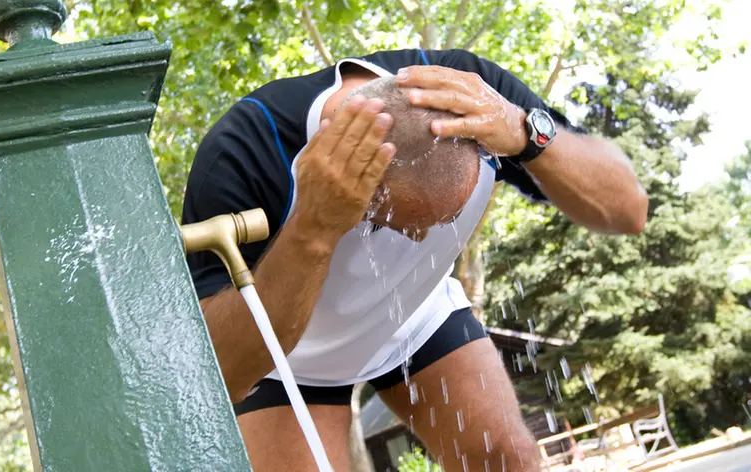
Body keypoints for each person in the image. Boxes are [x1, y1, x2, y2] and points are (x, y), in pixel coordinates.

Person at [181, 48, 648, 472]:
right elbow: (225, 369)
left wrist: (524, 132)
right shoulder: (245, 150)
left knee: (509, 461)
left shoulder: (470, 94)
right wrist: (311, 228)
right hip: (285, 356)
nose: (422, 237)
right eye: (399, 224)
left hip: (415, 314)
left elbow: (630, 209)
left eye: (446, 219)